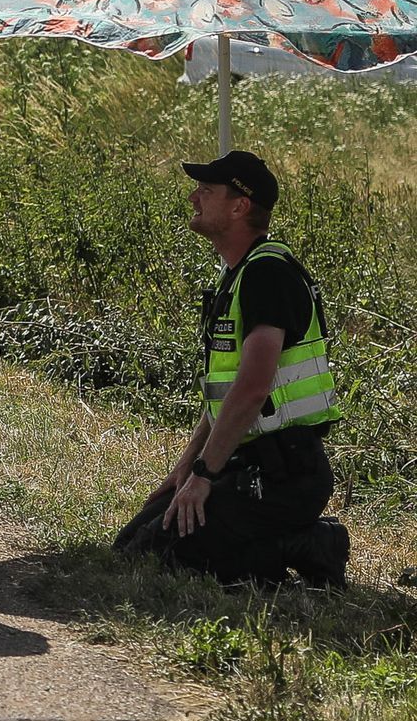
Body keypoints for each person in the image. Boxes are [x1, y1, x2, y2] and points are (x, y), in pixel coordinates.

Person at [113, 151, 348, 587]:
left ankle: (314, 542)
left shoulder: (267, 275)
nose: (192, 198)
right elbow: (225, 392)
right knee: (132, 547)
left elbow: (253, 389)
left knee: (169, 559)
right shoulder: (238, 275)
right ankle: (269, 542)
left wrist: (204, 475)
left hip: (285, 475)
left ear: (240, 206)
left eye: (206, 191)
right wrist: (186, 468)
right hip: (242, 464)